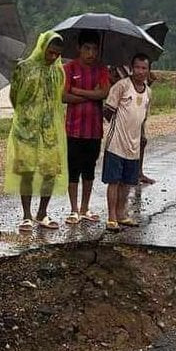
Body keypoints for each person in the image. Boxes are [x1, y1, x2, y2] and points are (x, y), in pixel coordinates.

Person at [5, 31, 68, 232]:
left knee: (50, 171)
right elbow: (14, 96)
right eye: (50, 52)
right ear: (42, 48)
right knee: (27, 172)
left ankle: (42, 213)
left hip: (50, 130)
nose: (53, 57)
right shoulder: (24, 68)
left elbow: (58, 98)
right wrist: (27, 116)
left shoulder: (58, 72)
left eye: (57, 54)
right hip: (25, 129)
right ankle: (26, 215)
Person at [62, 30, 111, 225]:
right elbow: (63, 96)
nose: (91, 53)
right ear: (79, 48)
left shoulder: (101, 69)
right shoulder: (69, 68)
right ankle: (73, 209)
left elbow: (104, 93)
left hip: (94, 129)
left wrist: (78, 92)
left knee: (89, 170)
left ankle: (85, 207)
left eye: (94, 49)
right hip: (73, 129)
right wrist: (92, 93)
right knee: (73, 170)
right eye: (87, 49)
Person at [101, 53, 152, 232]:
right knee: (113, 181)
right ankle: (111, 217)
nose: (140, 71)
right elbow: (107, 113)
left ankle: (122, 214)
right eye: (137, 67)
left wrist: (142, 137)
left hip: (134, 144)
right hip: (116, 142)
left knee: (127, 182)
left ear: (148, 70)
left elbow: (143, 117)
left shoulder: (148, 92)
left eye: (144, 68)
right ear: (132, 68)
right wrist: (107, 135)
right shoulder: (121, 86)